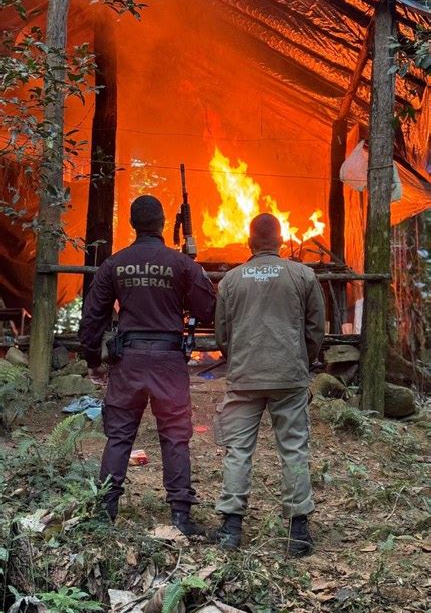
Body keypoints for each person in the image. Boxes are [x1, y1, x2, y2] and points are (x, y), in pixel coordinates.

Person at [79, 195, 216, 534]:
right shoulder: (181, 264)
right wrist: (188, 278)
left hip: (129, 363)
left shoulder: (114, 264)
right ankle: (181, 518)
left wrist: (94, 360)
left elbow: (92, 318)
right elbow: (209, 309)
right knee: (174, 436)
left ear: (132, 224)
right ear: (161, 224)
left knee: (119, 437)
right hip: (169, 363)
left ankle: (104, 514)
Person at [211, 213, 325, 555]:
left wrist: (240, 358)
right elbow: (316, 328)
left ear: (249, 242)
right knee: (293, 449)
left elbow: (221, 334)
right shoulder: (303, 275)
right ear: (281, 241)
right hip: (288, 376)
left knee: (238, 451)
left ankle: (231, 529)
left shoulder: (231, 280)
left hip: (245, 376)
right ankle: (298, 532)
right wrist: (300, 359)